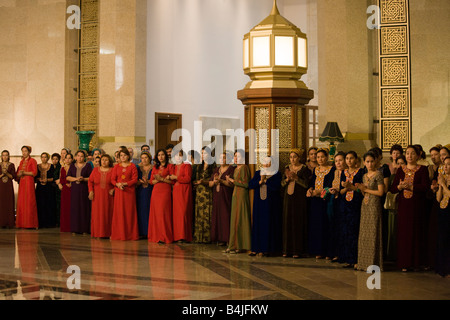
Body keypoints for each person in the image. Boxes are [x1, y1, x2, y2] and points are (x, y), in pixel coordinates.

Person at [390, 145, 430, 272]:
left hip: (417, 206)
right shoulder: (401, 170)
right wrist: (400, 187)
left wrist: (411, 187)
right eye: (407, 153)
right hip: (404, 206)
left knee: (417, 232)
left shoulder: (423, 169)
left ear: (418, 155)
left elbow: (425, 187)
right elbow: (393, 188)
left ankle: (416, 263)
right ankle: (404, 263)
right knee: (404, 233)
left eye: (412, 153)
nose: (409, 156)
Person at [356, 151, 385, 271]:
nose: (370, 164)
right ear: (364, 163)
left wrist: (366, 190)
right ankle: (363, 263)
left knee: (373, 232)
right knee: (364, 233)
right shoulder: (364, 175)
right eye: (367, 161)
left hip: (374, 204)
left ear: (376, 162)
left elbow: (380, 192)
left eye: (372, 161)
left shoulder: (378, 175)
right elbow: (364, 192)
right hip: (365, 204)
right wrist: (362, 189)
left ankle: (374, 263)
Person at [280, 149, 311, 258]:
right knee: (287, 222)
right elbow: (282, 184)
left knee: (297, 222)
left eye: (295, 157)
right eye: (291, 157)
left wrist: (296, 178)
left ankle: (297, 251)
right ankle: (286, 250)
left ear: (299, 158)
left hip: (299, 200)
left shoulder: (305, 169)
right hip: (288, 199)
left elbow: (306, 184)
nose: (292, 159)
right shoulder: (287, 169)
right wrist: (288, 179)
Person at [249, 156, 282, 257]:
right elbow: (251, 185)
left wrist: (266, 181)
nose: (266, 164)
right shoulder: (257, 173)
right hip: (259, 204)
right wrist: (259, 181)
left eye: (268, 162)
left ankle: (267, 249)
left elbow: (277, 187)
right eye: (264, 162)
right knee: (258, 225)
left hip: (271, 205)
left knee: (269, 224)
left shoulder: (276, 174)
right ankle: (257, 248)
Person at [307, 148, 336, 259]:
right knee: (316, 225)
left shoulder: (332, 169)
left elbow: (330, 185)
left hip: (326, 200)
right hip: (315, 201)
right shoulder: (315, 169)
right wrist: (310, 189)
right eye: (318, 157)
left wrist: (318, 192)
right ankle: (317, 250)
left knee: (326, 225)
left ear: (327, 157)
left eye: (322, 157)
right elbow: (312, 183)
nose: (320, 159)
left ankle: (326, 252)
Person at [337, 151, 364, 268]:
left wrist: (351, 187)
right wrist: (346, 188)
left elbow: (361, 190)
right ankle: (347, 258)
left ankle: (356, 259)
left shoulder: (361, 172)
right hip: (344, 205)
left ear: (356, 160)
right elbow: (341, 191)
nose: (349, 161)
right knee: (345, 230)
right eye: (347, 158)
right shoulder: (343, 172)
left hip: (356, 204)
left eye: (351, 158)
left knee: (355, 231)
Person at [224, 150, 251, 254]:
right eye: (235, 156)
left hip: (242, 195)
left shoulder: (244, 167)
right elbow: (235, 183)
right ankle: (233, 245)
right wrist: (228, 181)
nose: (236, 158)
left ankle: (240, 245)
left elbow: (245, 184)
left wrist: (232, 181)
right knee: (234, 219)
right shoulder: (235, 169)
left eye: (238, 156)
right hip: (235, 194)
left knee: (240, 218)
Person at [110, 148, 139, 241]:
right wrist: (117, 184)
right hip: (119, 191)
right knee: (119, 212)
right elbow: (112, 179)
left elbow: (135, 179)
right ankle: (118, 234)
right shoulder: (116, 167)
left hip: (129, 192)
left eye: (125, 155)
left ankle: (130, 235)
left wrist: (125, 184)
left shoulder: (132, 166)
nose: (123, 157)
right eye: (121, 155)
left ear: (128, 156)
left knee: (129, 213)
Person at [148, 149, 174, 244]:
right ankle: (156, 235)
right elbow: (151, 181)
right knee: (156, 214)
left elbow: (172, 181)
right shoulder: (155, 167)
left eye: (162, 155)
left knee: (163, 213)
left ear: (165, 156)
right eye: (159, 155)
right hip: (156, 192)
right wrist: (158, 180)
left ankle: (164, 236)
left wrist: (161, 179)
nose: (161, 157)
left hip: (165, 191)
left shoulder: (170, 166)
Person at [209, 152, 235, 247]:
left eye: (224, 158)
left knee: (225, 216)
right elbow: (210, 183)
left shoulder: (231, 169)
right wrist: (214, 181)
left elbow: (231, 184)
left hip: (226, 196)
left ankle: (227, 238)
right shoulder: (217, 169)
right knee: (217, 216)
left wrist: (221, 181)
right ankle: (219, 238)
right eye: (220, 157)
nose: (222, 159)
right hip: (217, 195)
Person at [67, 150, 93, 235]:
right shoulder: (72, 166)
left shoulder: (88, 166)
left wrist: (83, 179)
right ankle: (75, 229)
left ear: (84, 157)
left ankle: (84, 229)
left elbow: (91, 178)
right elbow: (68, 177)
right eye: (78, 156)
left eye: (81, 156)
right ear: (75, 157)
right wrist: (76, 179)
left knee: (84, 208)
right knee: (75, 208)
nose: (80, 158)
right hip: (75, 190)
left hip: (84, 189)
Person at [88, 154, 115, 239]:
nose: (104, 161)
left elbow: (117, 181)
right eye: (102, 160)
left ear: (109, 161)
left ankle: (108, 233)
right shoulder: (95, 170)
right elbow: (90, 181)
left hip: (108, 196)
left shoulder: (113, 170)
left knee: (108, 214)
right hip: (97, 196)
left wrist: (114, 189)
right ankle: (98, 233)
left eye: (106, 160)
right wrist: (91, 191)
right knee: (97, 214)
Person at [386, 154, 406, 262]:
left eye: (402, 163)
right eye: (398, 163)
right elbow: (391, 189)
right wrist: (399, 187)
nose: (399, 166)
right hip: (394, 207)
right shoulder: (394, 176)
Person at [170, 150, 193, 243]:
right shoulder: (173, 167)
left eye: (180, 155)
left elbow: (188, 178)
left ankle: (184, 236)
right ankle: (177, 236)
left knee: (183, 213)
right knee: (176, 214)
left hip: (184, 190)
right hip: (176, 191)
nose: (178, 157)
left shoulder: (187, 166)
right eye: (176, 156)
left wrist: (176, 178)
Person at [193, 147, 215, 244]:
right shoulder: (199, 167)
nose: (202, 155)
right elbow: (195, 178)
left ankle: (207, 237)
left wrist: (204, 182)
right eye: (201, 153)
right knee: (199, 213)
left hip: (207, 192)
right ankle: (199, 236)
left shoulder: (213, 166)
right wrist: (196, 183)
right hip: (199, 192)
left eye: (204, 153)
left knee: (207, 213)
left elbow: (212, 180)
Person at [328, 151, 347, 262]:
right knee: (334, 227)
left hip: (343, 201)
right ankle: (335, 253)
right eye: (336, 161)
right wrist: (330, 190)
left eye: (340, 160)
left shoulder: (347, 173)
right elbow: (328, 185)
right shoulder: (334, 172)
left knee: (342, 227)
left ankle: (343, 253)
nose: (338, 163)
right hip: (333, 201)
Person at [16, 146, 39, 229]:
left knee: (29, 201)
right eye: (22, 151)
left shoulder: (33, 161)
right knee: (22, 202)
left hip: (29, 183)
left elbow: (34, 173)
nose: (24, 153)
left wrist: (24, 173)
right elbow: (18, 174)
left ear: (29, 152)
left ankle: (31, 224)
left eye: (25, 151)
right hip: (22, 183)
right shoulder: (21, 161)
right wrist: (19, 174)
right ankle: (21, 223)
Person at [435, 156, 450, 278]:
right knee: (442, 240)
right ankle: (442, 268)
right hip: (442, 210)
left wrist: (444, 185)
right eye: (444, 164)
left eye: (448, 164)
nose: (445, 167)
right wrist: (440, 186)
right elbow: (438, 198)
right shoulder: (442, 178)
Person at [35, 152, 56, 228]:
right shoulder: (37, 166)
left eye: (45, 157)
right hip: (40, 188)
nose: (44, 159)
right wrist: (39, 179)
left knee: (48, 204)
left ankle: (49, 223)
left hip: (48, 188)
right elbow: (35, 177)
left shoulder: (51, 166)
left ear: (48, 158)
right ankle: (41, 223)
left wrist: (47, 180)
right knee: (40, 204)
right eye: (42, 157)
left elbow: (54, 178)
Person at [136, 151, 153, 238]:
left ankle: (150, 231)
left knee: (150, 210)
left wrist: (148, 182)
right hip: (141, 191)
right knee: (141, 210)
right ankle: (142, 232)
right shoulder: (138, 168)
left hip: (151, 190)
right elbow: (135, 179)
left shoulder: (153, 168)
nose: (144, 160)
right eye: (142, 158)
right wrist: (139, 182)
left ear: (149, 158)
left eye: (146, 157)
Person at [57, 153, 73, 232]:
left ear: (72, 159)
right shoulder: (62, 168)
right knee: (65, 207)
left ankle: (72, 226)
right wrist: (63, 184)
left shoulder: (74, 168)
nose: (68, 160)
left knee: (72, 207)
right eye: (66, 158)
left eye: (69, 158)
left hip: (73, 189)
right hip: (65, 189)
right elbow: (61, 178)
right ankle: (65, 226)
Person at [0, 150, 16, 228]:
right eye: (3, 155)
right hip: (1, 186)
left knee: (9, 202)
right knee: (1, 203)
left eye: (6, 155)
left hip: (9, 186)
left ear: (9, 156)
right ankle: (1, 223)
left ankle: (10, 223)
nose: (5, 157)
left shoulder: (11, 165)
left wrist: (6, 173)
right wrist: (3, 174)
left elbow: (12, 176)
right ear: (1, 156)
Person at [51, 153, 62, 227]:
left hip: (57, 188)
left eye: (56, 159)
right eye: (53, 159)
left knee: (58, 204)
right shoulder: (50, 167)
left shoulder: (60, 167)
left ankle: (59, 221)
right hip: (51, 187)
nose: (55, 161)